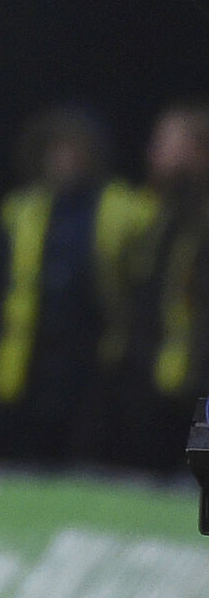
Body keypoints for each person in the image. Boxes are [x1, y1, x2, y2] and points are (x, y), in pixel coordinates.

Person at [0, 105, 156, 463]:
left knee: (87, 452)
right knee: (30, 453)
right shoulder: (21, 210)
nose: (65, 158)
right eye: (57, 149)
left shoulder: (124, 206)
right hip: (34, 353)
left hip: (97, 355)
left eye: (75, 148)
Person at [104, 98, 209, 473]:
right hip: (152, 389)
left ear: (199, 151)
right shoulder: (161, 215)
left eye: (165, 143)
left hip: (195, 397)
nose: (153, 153)